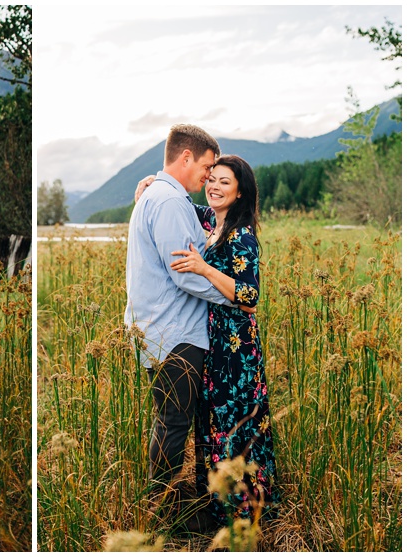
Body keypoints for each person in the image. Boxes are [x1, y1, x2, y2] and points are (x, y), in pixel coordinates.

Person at [135, 155, 277, 525]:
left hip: (235, 346)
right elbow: (176, 200)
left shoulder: (241, 234)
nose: (213, 186)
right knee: (211, 424)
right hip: (210, 338)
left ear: (241, 191)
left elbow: (250, 295)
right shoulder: (209, 219)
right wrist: (151, 182)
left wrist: (203, 267)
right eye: (211, 178)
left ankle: (245, 511)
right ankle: (216, 508)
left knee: (236, 422)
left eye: (224, 182)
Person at [124, 123, 236, 533]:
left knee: (167, 421)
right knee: (173, 424)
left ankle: (163, 508)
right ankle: (161, 520)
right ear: (185, 157)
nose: (208, 176)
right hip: (175, 335)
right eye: (206, 166)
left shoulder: (158, 195)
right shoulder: (170, 202)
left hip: (159, 331)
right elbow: (185, 273)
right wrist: (236, 297)